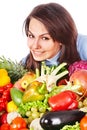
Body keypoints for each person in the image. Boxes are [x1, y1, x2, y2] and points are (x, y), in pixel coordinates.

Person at [21, 2, 87, 72]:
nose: (35, 46)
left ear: (62, 38)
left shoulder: (83, 44)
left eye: (45, 38)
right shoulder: (26, 63)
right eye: (31, 36)